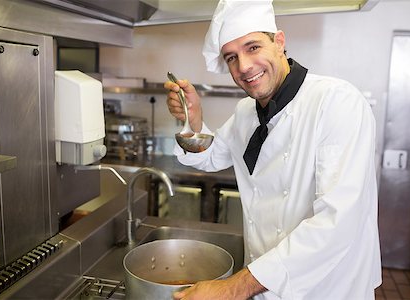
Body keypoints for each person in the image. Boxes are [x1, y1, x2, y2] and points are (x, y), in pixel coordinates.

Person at [164, 0, 382, 299]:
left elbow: (338, 222)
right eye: (231, 57)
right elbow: (211, 155)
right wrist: (192, 121)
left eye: (252, 47)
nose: (244, 67)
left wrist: (233, 289)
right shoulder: (246, 112)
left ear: (279, 42)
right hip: (264, 284)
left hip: (327, 289)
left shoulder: (336, 102)